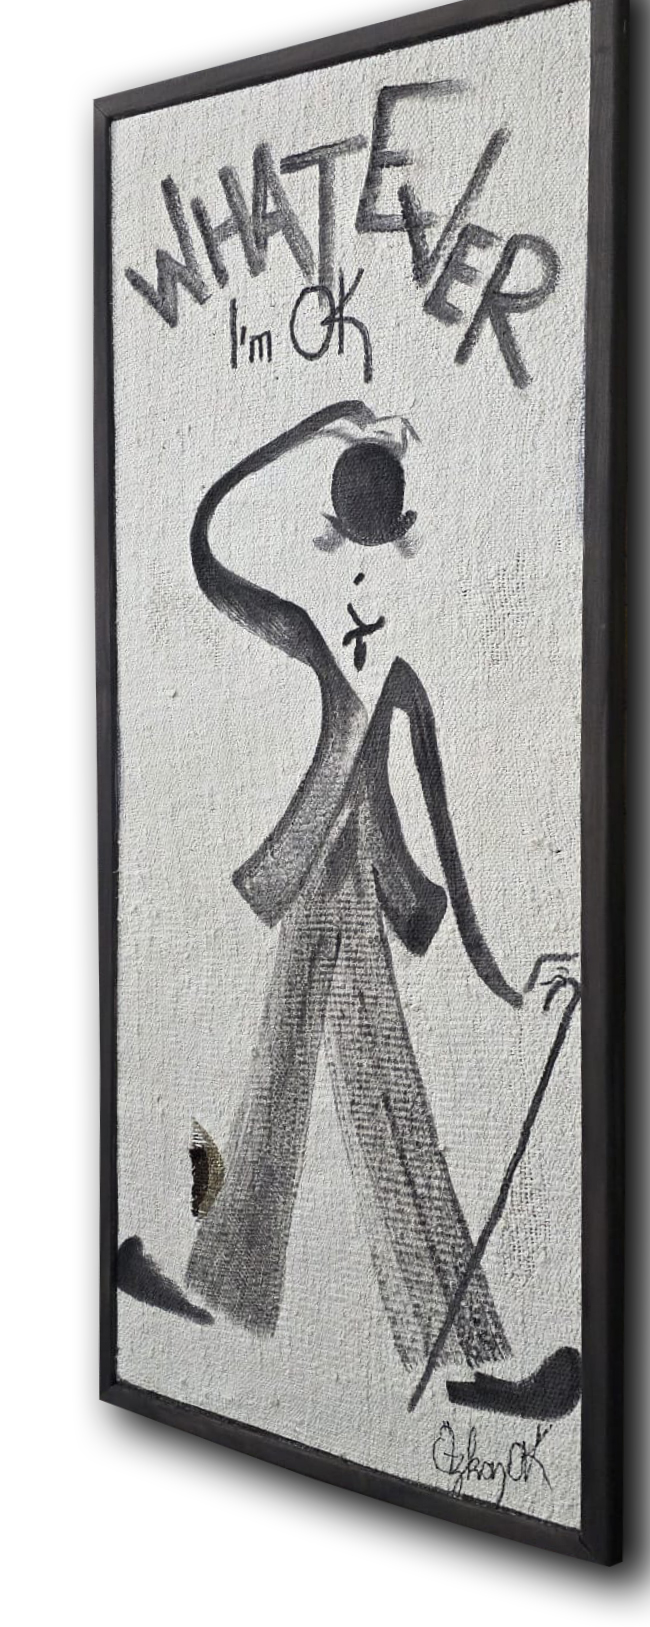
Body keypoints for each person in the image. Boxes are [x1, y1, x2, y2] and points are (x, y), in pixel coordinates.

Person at [184, 398, 537, 1378]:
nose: (362, 588)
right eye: (349, 550)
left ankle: (235, 1286)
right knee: (359, 1094)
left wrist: (489, 959)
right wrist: (314, 425)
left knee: (328, 1087)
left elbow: (445, 829)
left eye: (377, 552)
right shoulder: (312, 634)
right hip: (321, 882)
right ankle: (450, 1346)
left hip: (351, 888)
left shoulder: (397, 674)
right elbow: (205, 549)